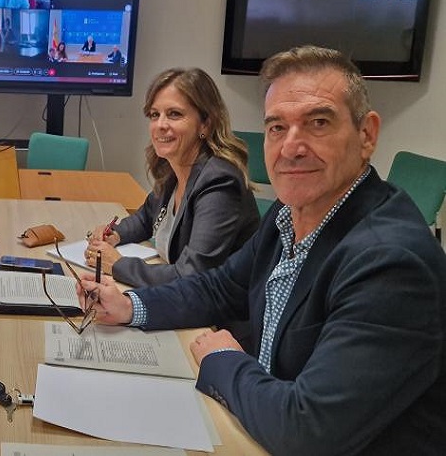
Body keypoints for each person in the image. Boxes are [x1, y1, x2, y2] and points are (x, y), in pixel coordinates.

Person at [78, 46, 446, 454]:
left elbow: (307, 431)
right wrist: (131, 306)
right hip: (259, 427)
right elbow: (217, 288)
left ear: (367, 135)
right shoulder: (289, 216)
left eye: (318, 122)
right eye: (276, 128)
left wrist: (224, 361)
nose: (291, 147)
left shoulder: (392, 264)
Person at [85, 68, 259, 289]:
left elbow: (193, 274)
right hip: (181, 302)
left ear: (205, 123)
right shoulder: (175, 168)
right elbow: (146, 218)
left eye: (174, 114)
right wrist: (115, 234)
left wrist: (118, 264)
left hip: (218, 320)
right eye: (155, 115)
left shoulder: (220, 183)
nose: (160, 125)